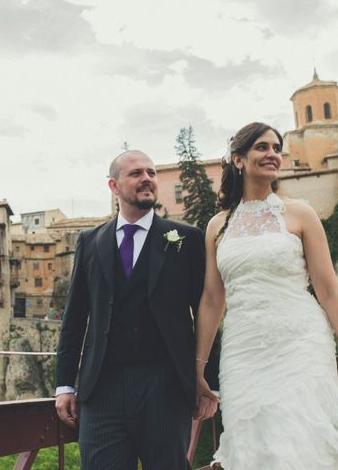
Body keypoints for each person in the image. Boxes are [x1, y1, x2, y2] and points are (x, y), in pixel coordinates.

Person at [194, 122, 338, 469]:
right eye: (262, 147)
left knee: (303, 439)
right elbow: (211, 300)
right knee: (256, 445)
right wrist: (198, 368)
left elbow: (329, 289)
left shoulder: (301, 213)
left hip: (300, 343)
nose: (272, 154)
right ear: (238, 159)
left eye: (276, 148)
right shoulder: (218, 226)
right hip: (242, 350)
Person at [55, 150, 219, 470]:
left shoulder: (186, 238)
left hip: (166, 385)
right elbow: (74, 318)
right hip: (101, 389)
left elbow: (206, 313)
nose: (147, 178)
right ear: (114, 187)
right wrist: (64, 386)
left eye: (151, 172)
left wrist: (208, 382)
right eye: (136, 173)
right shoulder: (90, 242)